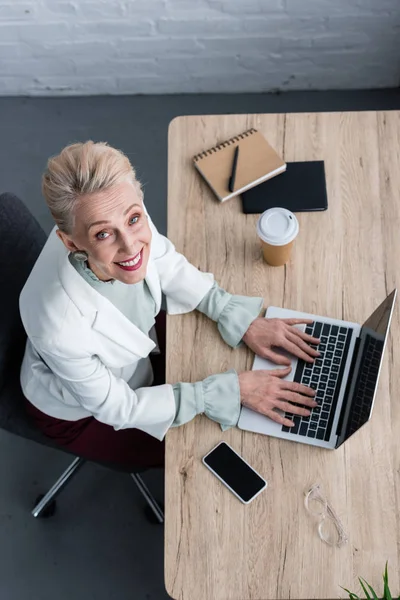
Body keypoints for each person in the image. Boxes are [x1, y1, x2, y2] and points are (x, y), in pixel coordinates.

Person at [19, 141, 319, 472]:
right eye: (104, 235)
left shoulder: (116, 205)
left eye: (134, 219)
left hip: (133, 353)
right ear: (71, 242)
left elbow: (164, 261)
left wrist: (235, 315)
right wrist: (221, 393)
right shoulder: (59, 327)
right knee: (195, 448)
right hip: (83, 412)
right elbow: (118, 407)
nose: (130, 244)